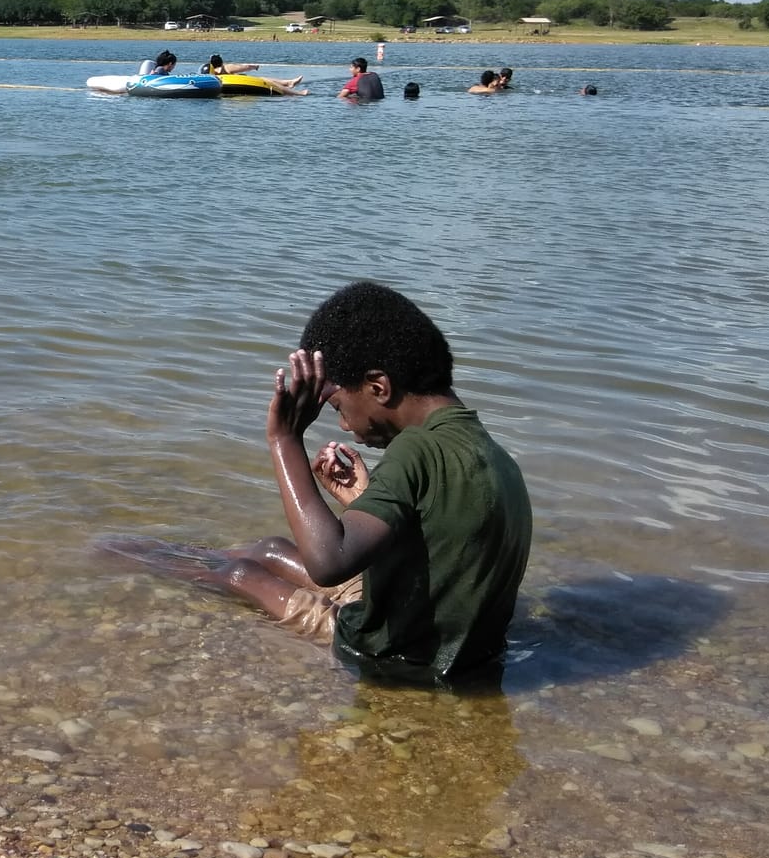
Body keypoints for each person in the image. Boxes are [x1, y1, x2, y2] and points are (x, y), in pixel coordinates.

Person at [108, 282, 532, 680]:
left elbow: (328, 563)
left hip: (392, 654)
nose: (345, 424)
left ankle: (126, 556)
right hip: (456, 646)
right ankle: (173, 552)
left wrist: (285, 439)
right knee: (272, 550)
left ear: (378, 386)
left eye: (337, 405)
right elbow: (441, 540)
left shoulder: (414, 450)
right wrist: (364, 498)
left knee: (240, 575)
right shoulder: (489, 452)